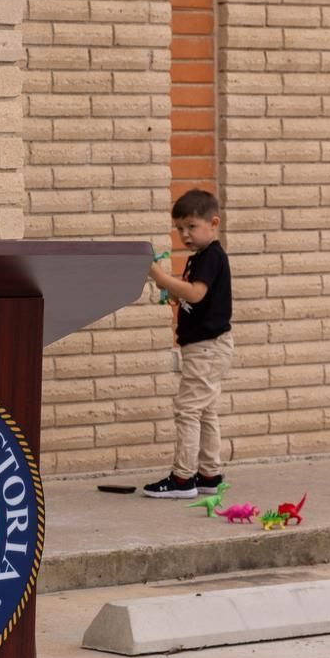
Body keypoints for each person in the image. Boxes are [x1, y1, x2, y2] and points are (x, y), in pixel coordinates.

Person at [143, 189, 233, 499]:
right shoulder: (202, 259)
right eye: (180, 228)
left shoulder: (211, 257)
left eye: (192, 227)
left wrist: (159, 275)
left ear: (213, 223)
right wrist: (171, 291)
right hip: (206, 346)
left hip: (207, 347)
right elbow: (193, 298)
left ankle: (183, 479)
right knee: (205, 409)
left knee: (187, 409)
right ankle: (210, 474)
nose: (185, 234)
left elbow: (195, 294)